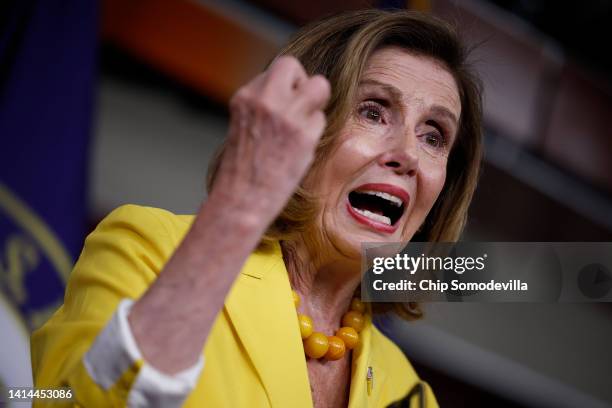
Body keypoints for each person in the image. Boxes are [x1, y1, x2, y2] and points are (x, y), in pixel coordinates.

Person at [31, 9, 482, 408]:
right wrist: (240, 206)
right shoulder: (151, 248)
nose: (406, 154)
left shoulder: (408, 392)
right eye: (374, 111)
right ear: (299, 128)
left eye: (433, 136)